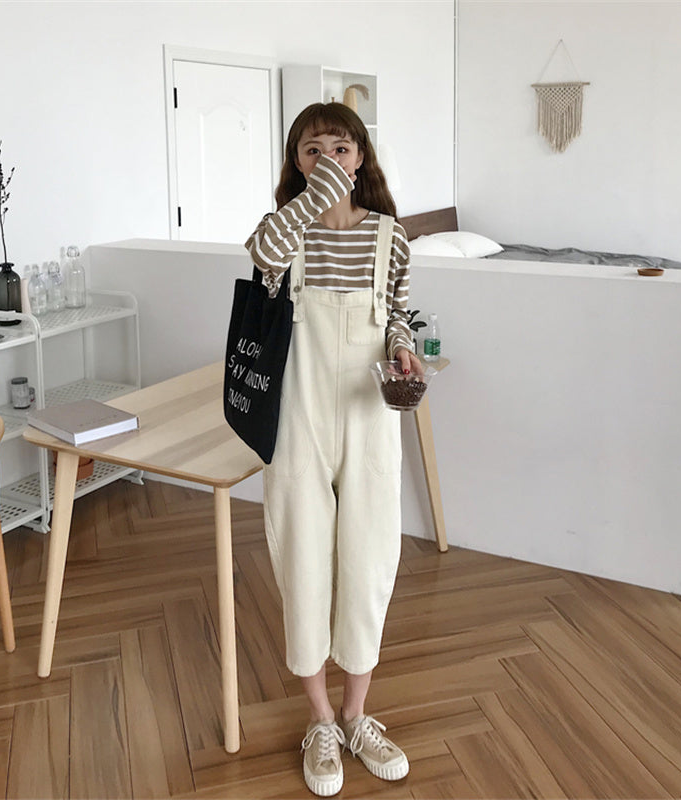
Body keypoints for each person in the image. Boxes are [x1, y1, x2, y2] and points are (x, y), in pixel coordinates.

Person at [245, 102, 422, 797]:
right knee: (303, 551)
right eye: (312, 149)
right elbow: (260, 255)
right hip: (298, 410)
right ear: (297, 161)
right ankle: (319, 718)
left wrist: (403, 349)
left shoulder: (389, 236)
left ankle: (356, 715)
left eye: (340, 148)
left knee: (370, 556)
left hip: (368, 409)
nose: (328, 158)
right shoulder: (285, 232)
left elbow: (398, 311)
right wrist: (312, 198)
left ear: (361, 157)